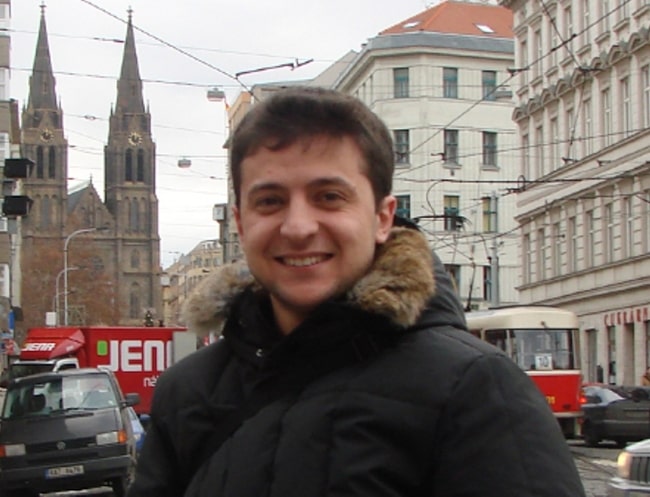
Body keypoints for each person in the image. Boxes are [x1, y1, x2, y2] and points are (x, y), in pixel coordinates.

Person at [127, 87, 585, 497]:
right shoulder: (186, 391)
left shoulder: (478, 389)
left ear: (383, 217)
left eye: (329, 197)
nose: (299, 227)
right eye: (270, 201)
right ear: (241, 223)